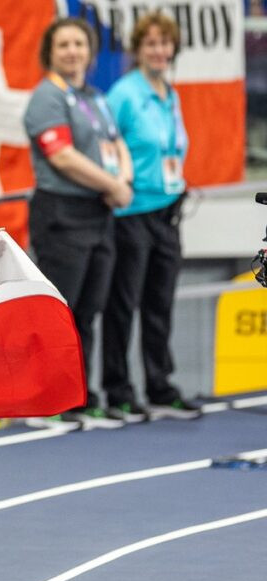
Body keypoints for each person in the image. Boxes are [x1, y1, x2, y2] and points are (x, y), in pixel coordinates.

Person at [23, 17, 134, 430]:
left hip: (99, 213)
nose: (72, 51)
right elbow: (63, 156)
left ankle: (81, 399)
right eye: (63, 44)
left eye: (79, 44)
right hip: (62, 216)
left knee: (88, 312)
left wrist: (121, 181)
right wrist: (113, 185)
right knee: (60, 314)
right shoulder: (46, 98)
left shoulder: (95, 96)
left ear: (89, 51)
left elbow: (116, 142)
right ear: (51, 52)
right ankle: (47, 401)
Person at [101, 12, 200, 422]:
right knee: (123, 306)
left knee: (159, 305)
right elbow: (105, 148)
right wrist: (116, 185)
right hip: (130, 214)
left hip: (167, 214)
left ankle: (160, 387)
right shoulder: (124, 94)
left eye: (165, 43)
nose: (159, 51)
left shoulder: (169, 93)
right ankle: (118, 389)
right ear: (137, 50)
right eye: (151, 44)